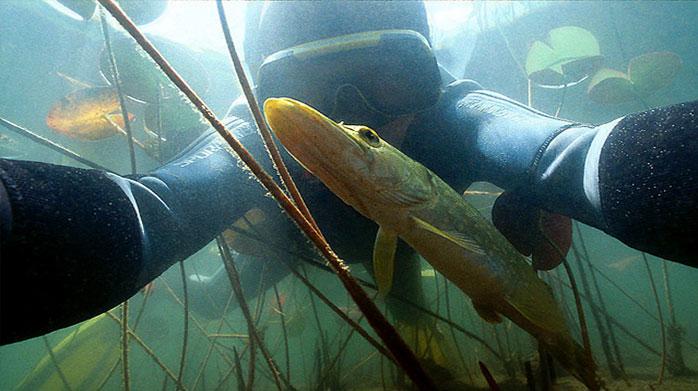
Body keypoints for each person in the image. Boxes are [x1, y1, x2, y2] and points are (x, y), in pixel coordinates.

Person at [1, 2, 695, 345]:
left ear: (425, 75)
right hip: (296, 242)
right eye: (312, 90)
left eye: (386, 83)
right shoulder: (257, 135)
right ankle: (161, 297)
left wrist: (554, 192)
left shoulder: (455, 112)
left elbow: (580, 155)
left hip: (408, 247)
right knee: (214, 300)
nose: (349, 115)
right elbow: (152, 208)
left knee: (406, 295)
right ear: (272, 94)